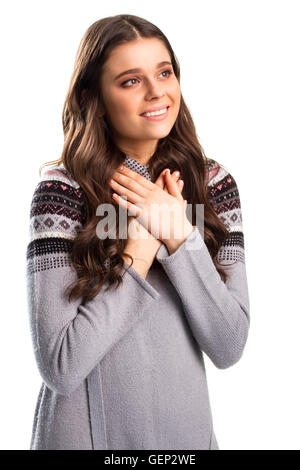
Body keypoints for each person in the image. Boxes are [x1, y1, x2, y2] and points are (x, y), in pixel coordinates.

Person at [26, 14, 250, 450]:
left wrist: (180, 238)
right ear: (94, 96)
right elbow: (61, 366)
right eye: (130, 81)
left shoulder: (213, 186)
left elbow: (229, 345)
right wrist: (141, 248)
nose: (156, 92)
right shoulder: (61, 191)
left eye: (164, 72)